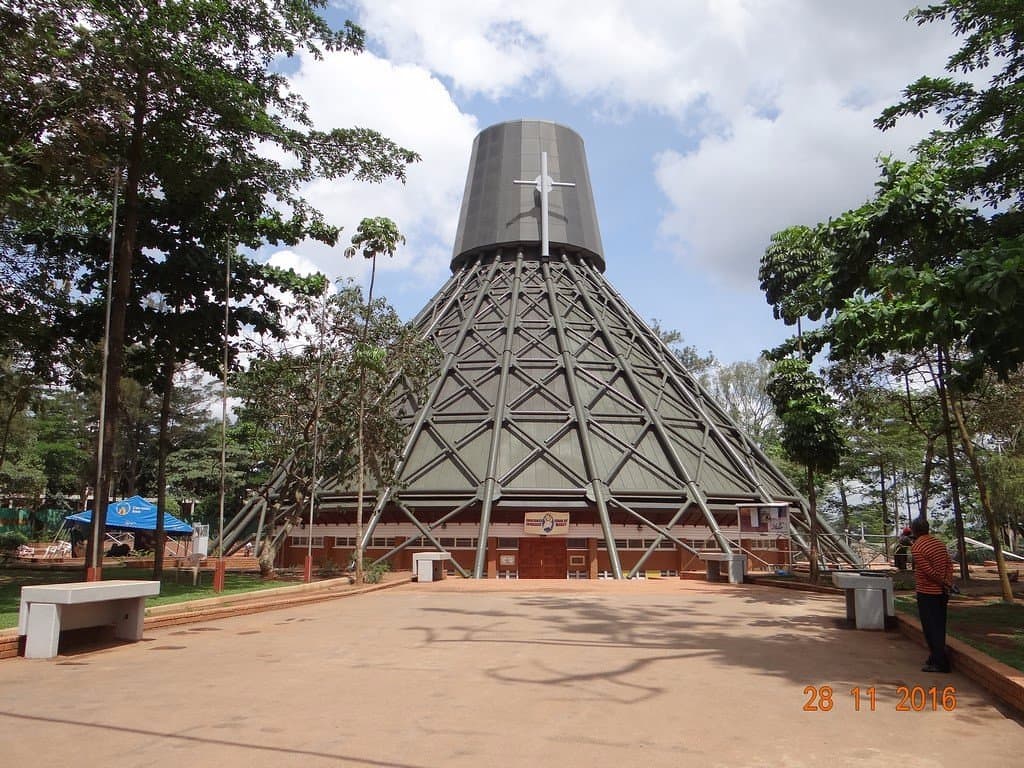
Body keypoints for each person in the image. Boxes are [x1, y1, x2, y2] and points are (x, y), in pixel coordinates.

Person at [909, 516, 954, 673]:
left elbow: (928, 572)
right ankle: (936, 657)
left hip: (927, 592)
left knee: (930, 628)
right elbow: (949, 564)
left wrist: (942, 581)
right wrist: (947, 582)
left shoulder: (917, 547)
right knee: (939, 626)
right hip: (942, 592)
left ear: (914, 530)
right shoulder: (939, 544)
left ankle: (939, 662)